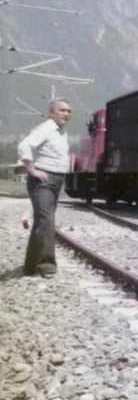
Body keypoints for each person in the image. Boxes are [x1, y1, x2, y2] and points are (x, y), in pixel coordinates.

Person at [18, 98, 73, 277]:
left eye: (68, 111)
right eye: (62, 110)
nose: (66, 114)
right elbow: (24, 145)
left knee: (41, 223)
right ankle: (46, 266)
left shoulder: (61, 132)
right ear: (52, 113)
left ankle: (30, 267)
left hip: (56, 181)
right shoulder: (46, 128)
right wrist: (32, 170)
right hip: (43, 181)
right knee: (46, 221)